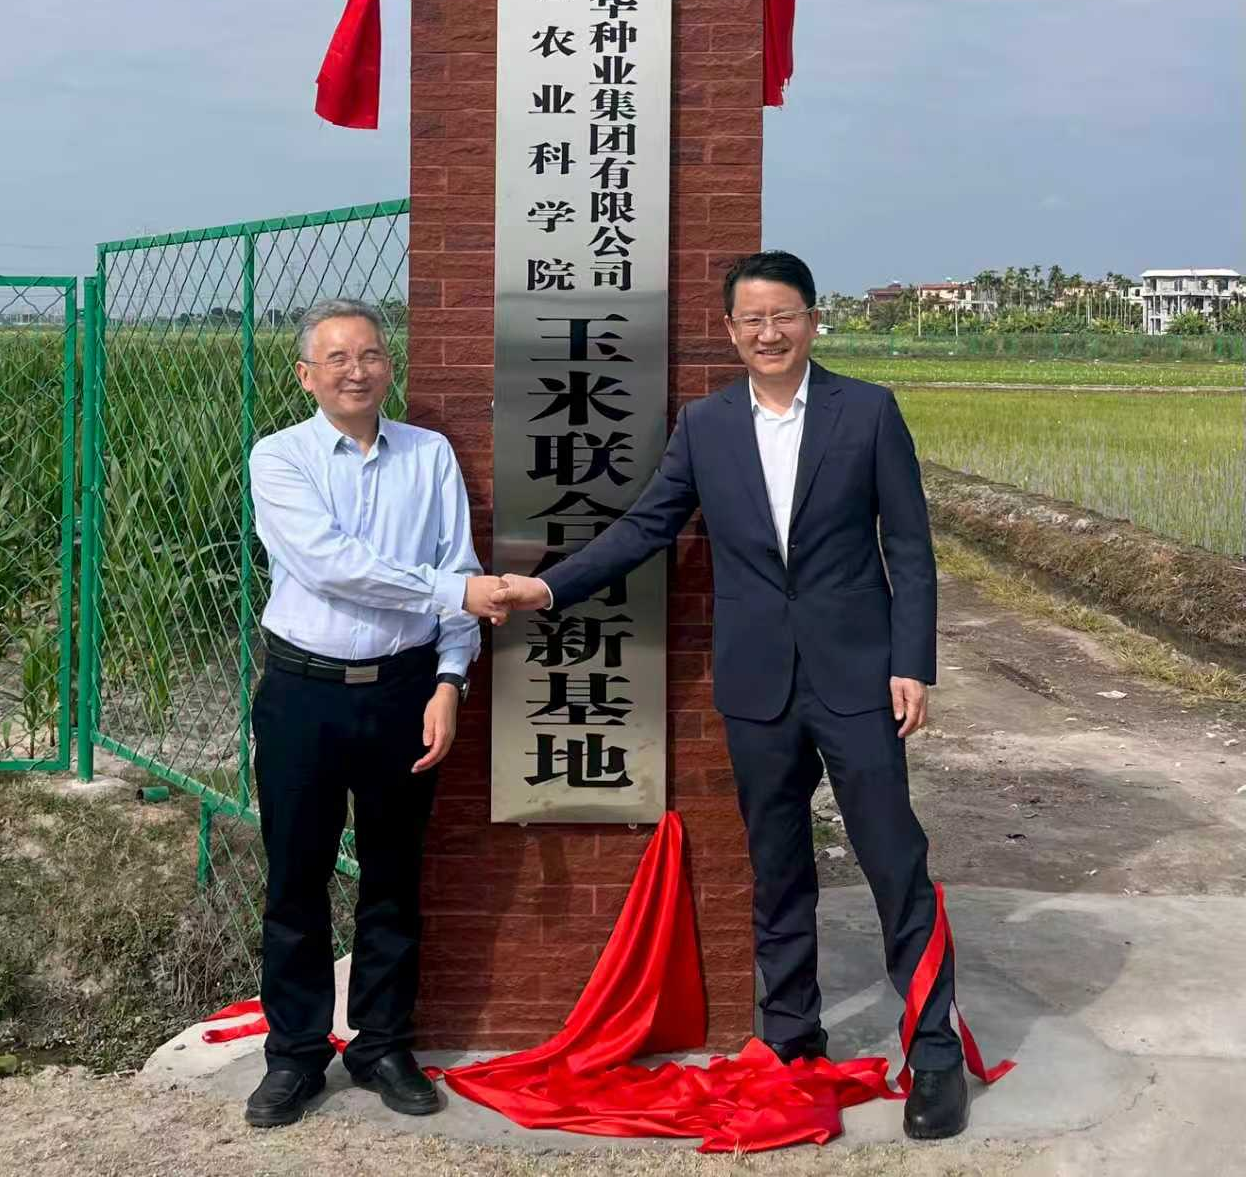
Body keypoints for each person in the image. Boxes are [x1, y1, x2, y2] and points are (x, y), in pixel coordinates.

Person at [500, 252, 969, 1141]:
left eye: (784, 315)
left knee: (893, 859)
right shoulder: (706, 424)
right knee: (777, 866)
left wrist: (912, 662)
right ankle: (791, 1037)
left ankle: (935, 1051)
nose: (768, 332)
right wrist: (551, 586)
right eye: (752, 319)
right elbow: (647, 525)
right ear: (729, 330)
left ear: (813, 320)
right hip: (757, 684)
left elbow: (909, 546)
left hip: (857, 678)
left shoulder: (868, 411)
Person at [243, 298, 510, 1129]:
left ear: (389, 365)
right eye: (336, 358)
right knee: (296, 878)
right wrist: (453, 592)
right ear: (306, 375)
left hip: (404, 692)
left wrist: (450, 680)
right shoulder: (278, 458)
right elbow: (332, 566)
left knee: (395, 877)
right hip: (303, 694)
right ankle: (294, 1054)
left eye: (369, 355)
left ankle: (382, 1043)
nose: (355, 371)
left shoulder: (428, 454)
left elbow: (459, 561)